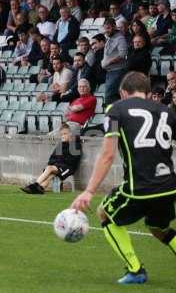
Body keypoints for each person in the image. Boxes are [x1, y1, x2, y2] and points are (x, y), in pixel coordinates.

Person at [71, 72, 176, 284]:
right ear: (147, 93)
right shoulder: (167, 111)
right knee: (158, 228)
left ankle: (135, 270)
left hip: (139, 187)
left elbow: (108, 154)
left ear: (122, 92)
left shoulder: (116, 110)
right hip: (169, 186)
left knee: (104, 213)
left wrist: (89, 191)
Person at [21, 123, 81, 194]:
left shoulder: (76, 145)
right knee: (50, 173)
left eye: (65, 134)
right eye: (61, 134)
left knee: (50, 168)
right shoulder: (61, 145)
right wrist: (53, 164)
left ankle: (34, 185)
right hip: (58, 166)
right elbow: (53, 157)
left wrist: (55, 165)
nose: (63, 136)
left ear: (70, 134)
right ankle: (40, 188)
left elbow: (71, 161)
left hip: (68, 168)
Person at [102, 18, 127, 105]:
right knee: (111, 96)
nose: (106, 31)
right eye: (105, 28)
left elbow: (122, 54)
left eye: (108, 28)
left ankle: (113, 114)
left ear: (114, 27)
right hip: (110, 71)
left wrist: (109, 62)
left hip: (117, 71)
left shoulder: (120, 38)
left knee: (109, 96)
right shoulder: (109, 37)